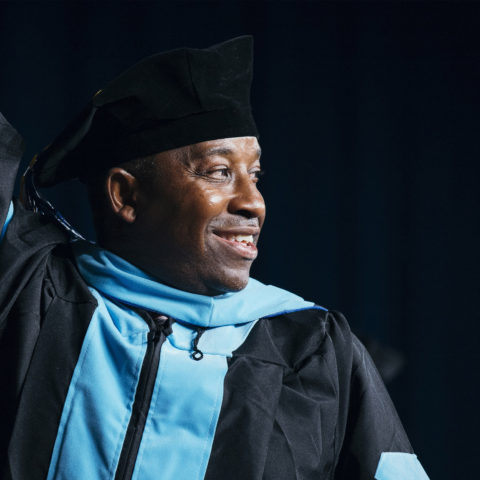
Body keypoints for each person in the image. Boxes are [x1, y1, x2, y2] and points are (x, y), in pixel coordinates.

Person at [0, 36, 429, 480]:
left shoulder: (312, 349)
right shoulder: (32, 291)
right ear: (126, 194)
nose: (253, 202)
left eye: (255, 175)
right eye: (220, 172)